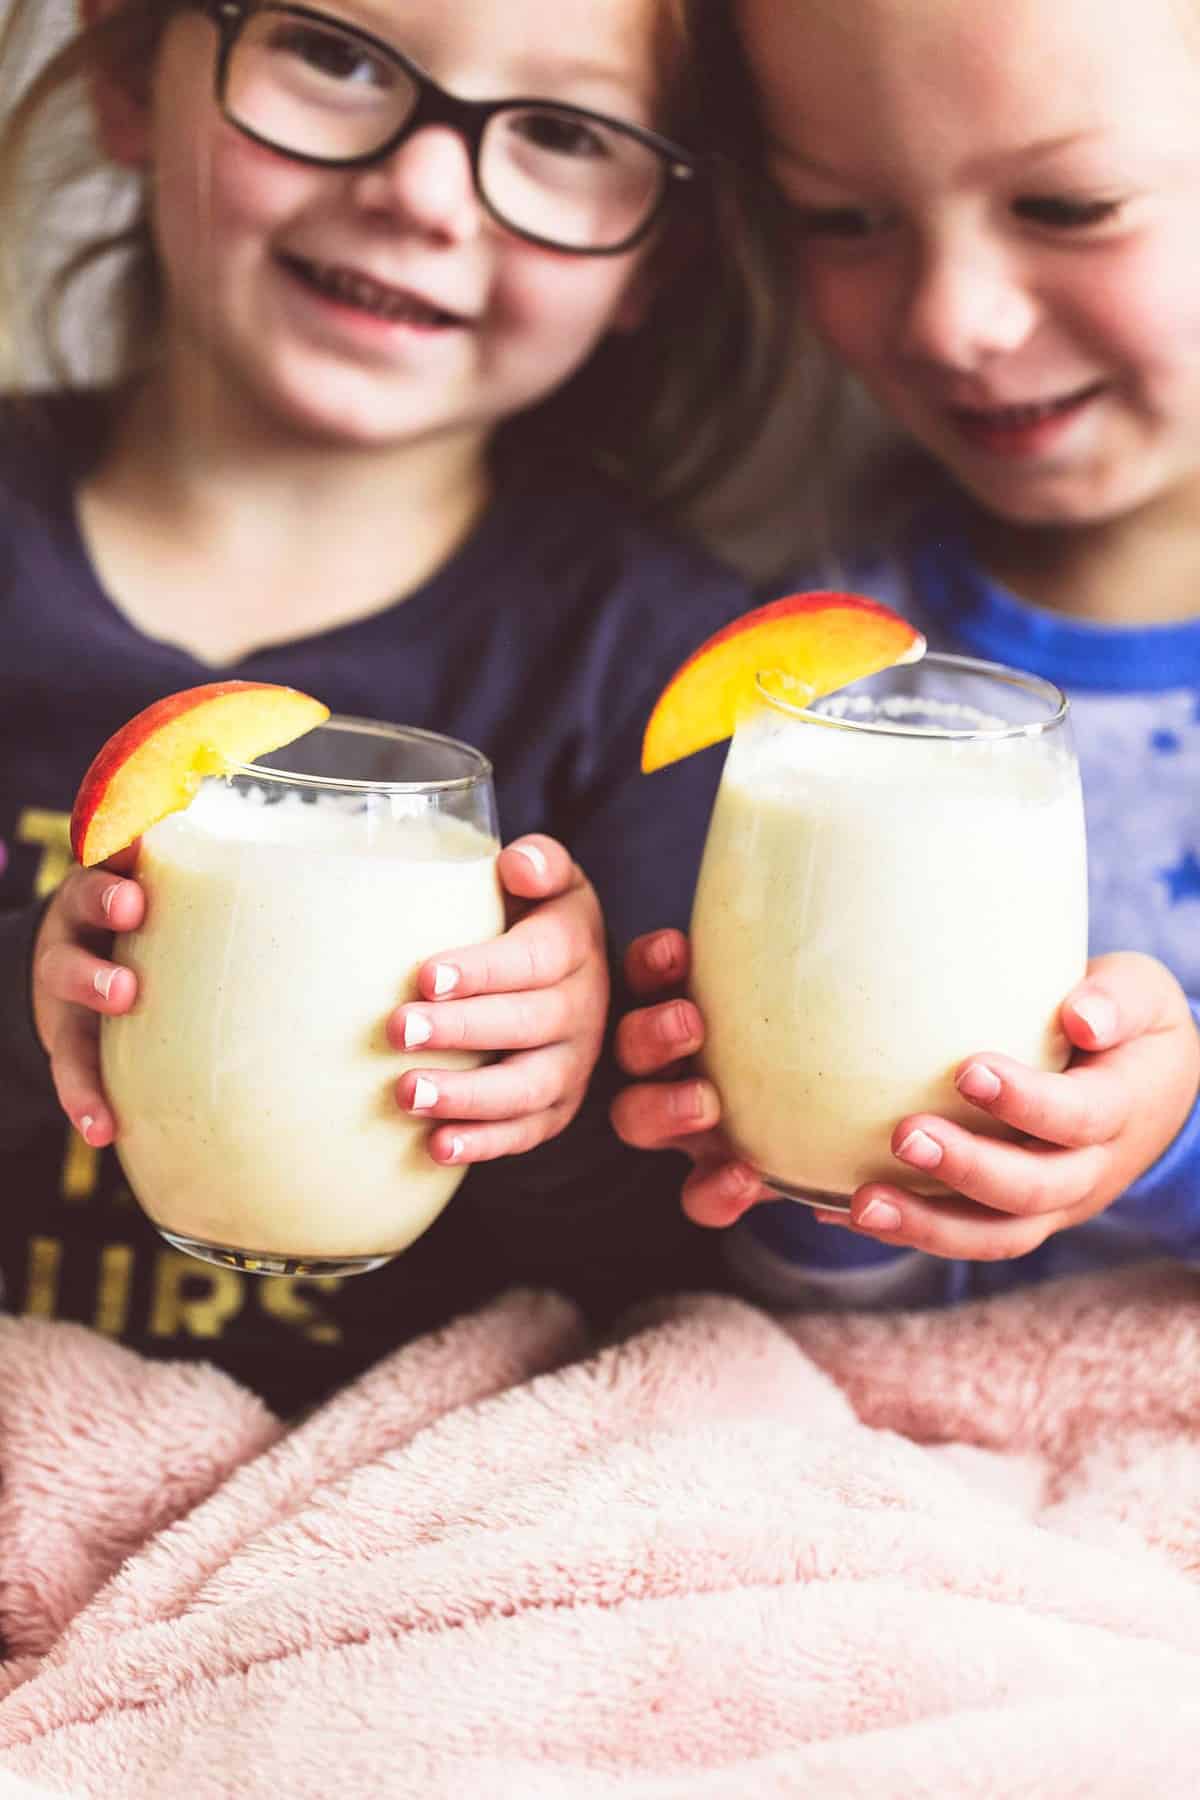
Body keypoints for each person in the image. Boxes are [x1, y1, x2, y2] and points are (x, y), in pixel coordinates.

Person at [0, 0, 774, 1411]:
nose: (419, 190)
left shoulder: (665, 679)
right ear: (127, 77)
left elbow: (676, 1281)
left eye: (562, 131)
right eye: (337, 55)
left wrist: (562, 1092)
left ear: (659, 250)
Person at [613, 0, 1200, 1311]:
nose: (952, 322)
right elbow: (800, 1281)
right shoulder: (808, 649)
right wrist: (783, 1155)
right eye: (842, 219)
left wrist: (1164, 1143)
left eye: (1069, 204)